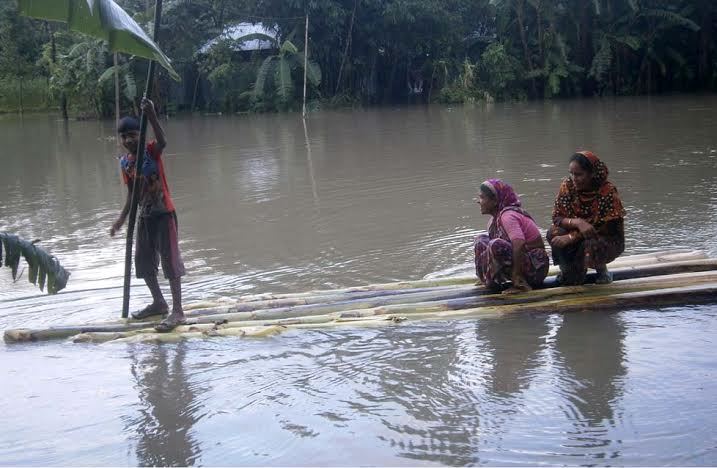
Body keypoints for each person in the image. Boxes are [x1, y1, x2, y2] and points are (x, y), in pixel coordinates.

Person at [110, 97, 186, 332]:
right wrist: (121, 219)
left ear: (140, 134)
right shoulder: (125, 163)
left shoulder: (151, 151)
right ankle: (159, 302)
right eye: (124, 137)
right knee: (143, 262)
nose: (128, 140)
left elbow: (163, 141)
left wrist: (151, 114)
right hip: (144, 217)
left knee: (170, 261)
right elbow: (132, 195)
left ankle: (178, 311)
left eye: (132, 135)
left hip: (164, 214)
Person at [547, 150, 626, 285]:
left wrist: (571, 237)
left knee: (590, 244)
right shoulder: (568, 186)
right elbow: (557, 217)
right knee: (553, 233)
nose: (574, 178)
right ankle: (567, 270)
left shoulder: (607, 191)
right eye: (571, 173)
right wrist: (578, 223)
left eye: (579, 174)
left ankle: (602, 271)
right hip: (576, 231)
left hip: (605, 237)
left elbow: (604, 227)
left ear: (592, 174)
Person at [474, 179, 549, 294]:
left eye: (482, 197)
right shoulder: (493, 221)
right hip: (525, 264)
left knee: (495, 244)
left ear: (495, 201)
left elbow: (519, 244)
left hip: (536, 268)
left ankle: (520, 283)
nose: (478, 202)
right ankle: (488, 280)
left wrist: (516, 275)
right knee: (480, 241)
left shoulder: (507, 216)